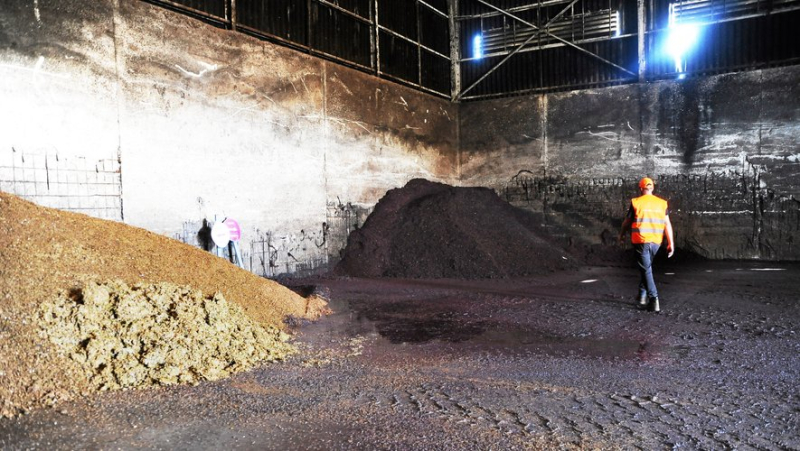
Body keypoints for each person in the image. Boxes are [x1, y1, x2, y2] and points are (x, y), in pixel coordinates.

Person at [618, 177, 674, 313]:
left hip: (641, 241)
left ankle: (654, 300)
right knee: (646, 268)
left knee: (646, 269)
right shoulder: (662, 203)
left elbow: (627, 222)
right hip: (656, 241)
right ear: (652, 188)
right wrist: (671, 242)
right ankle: (642, 296)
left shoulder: (636, 202)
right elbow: (667, 224)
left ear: (640, 188)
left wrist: (621, 235)